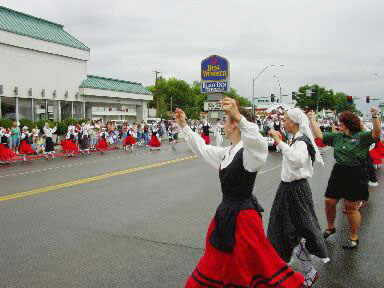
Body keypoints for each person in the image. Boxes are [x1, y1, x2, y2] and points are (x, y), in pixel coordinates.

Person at [176, 98, 304, 288]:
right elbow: (203, 149)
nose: (223, 125)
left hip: (242, 221)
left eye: (226, 121)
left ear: (235, 123)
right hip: (226, 216)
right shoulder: (227, 152)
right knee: (226, 269)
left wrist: (238, 116)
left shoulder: (249, 153)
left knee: (246, 271)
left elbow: (259, 143)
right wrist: (185, 126)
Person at [268, 108, 329, 287]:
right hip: (288, 189)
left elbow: (297, 160)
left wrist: (280, 142)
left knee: (291, 231)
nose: (283, 122)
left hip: (295, 190)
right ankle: (296, 268)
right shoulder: (296, 139)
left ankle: (306, 271)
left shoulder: (301, 141)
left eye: (286, 120)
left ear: (294, 122)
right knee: (288, 230)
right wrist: (282, 141)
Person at [308, 108, 381, 249]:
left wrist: (374, 116)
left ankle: (354, 237)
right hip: (339, 172)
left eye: (340, 123)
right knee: (329, 201)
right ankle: (330, 227)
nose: (338, 125)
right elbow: (319, 135)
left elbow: (376, 133)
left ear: (347, 124)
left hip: (356, 173)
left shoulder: (362, 136)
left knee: (351, 207)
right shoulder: (337, 137)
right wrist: (312, 119)